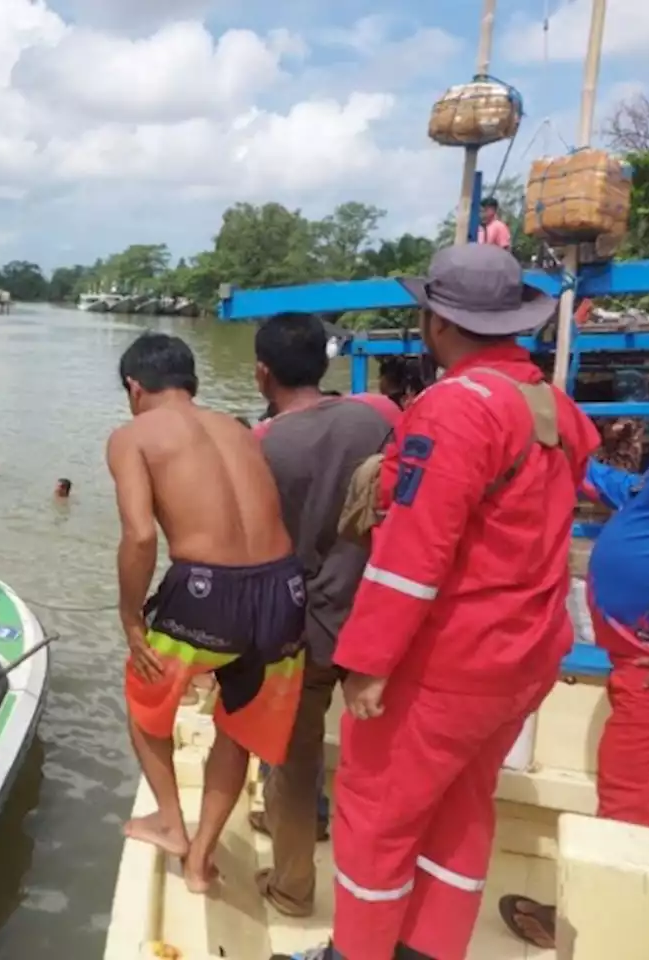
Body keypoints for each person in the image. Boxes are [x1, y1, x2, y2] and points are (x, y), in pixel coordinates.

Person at [285, 244, 600, 960]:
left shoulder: (452, 410)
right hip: (524, 653)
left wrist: (367, 661)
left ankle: (356, 952)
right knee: (462, 811)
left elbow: (412, 556)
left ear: (438, 321)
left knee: (376, 818)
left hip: (448, 661)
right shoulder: (554, 406)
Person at [108, 332, 306, 895]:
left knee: (146, 700)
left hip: (205, 591)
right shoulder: (239, 429)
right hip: (284, 591)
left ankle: (171, 823)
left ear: (133, 387)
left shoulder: (132, 436)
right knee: (237, 725)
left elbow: (140, 535)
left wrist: (129, 618)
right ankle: (201, 860)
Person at [247, 313, 397, 919]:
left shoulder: (263, 446)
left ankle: (291, 887)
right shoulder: (380, 418)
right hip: (379, 618)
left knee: (292, 757)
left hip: (302, 627)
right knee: (379, 757)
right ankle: (375, 885)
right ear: (327, 362)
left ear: (261, 373)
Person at [498, 452, 649, 948]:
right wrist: (573, 462)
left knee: (632, 794)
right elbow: (639, 495)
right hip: (635, 657)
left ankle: (603, 926)